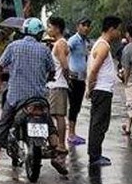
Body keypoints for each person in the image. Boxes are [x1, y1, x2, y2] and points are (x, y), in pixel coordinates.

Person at [0, 17, 67, 178]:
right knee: (50, 124)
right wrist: (48, 78)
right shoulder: (44, 50)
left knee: (2, 126)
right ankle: (57, 156)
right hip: (39, 98)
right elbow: (51, 71)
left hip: (16, 97)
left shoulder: (13, 46)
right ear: (39, 34)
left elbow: (0, 66)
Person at [86, 15, 122, 168]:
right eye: (118, 29)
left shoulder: (101, 44)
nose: (119, 33)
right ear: (111, 29)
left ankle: (96, 153)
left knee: (99, 123)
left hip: (102, 89)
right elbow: (94, 69)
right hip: (101, 90)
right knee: (99, 124)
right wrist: (90, 87)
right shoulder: (103, 46)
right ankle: (94, 156)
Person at [66, 16, 92, 146]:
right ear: (78, 26)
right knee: (73, 106)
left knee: (77, 107)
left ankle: (73, 132)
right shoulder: (73, 40)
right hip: (73, 78)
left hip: (81, 78)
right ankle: (70, 133)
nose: (86, 28)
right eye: (83, 25)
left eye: (88, 25)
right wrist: (68, 70)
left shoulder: (85, 42)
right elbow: (65, 52)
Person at [47, 16, 70, 154]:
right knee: (55, 114)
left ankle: (61, 144)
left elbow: (65, 66)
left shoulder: (60, 43)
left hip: (58, 84)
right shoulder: (58, 43)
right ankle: (57, 142)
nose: (48, 29)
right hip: (56, 84)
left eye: (50, 27)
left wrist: (66, 80)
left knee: (59, 115)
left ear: (57, 28)